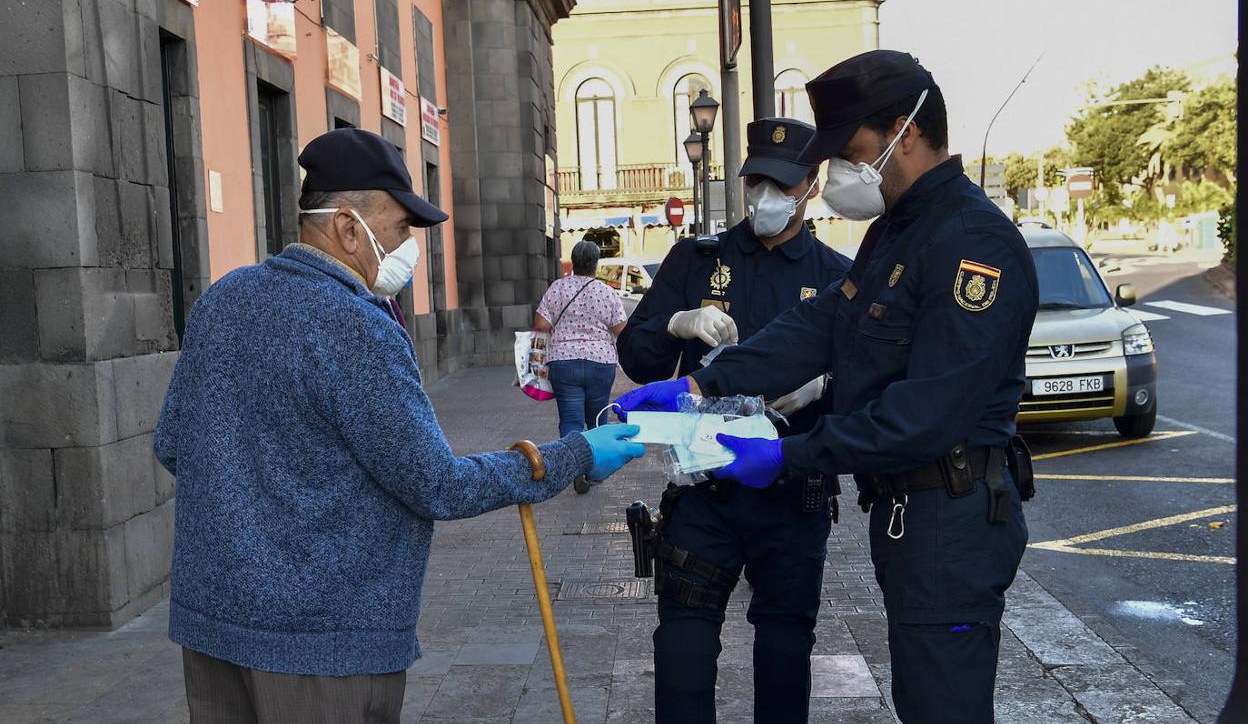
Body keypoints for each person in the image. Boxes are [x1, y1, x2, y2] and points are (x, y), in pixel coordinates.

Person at [154, 128, 645, 724]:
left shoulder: (223, 298)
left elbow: (174, 442)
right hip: (322, 648)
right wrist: (574, 455)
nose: (409, 247)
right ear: (346, 227)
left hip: (213, 629)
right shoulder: (355, 325)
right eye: (399, 228)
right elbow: (438, 484)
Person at [617, 51, 1039, 724]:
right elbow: (820, 325)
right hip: (911, 515)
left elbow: (922, 415)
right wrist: (701, 380)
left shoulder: (969, 242)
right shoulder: (897, 234)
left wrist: (789, 455)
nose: (842, 169)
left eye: (853, 150)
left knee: (942, 704)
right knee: (922, 698)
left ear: (905, 130)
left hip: (949, 515)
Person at [616, 117, 851, 723]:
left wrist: (824, 387)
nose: (765, 197)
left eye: (781, 184)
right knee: (682, 648)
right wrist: (675, 323)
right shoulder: (697, 261)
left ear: (811, 186)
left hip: (791, 492)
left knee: (785, 645)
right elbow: (639, 359)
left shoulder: (834, 275)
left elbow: (863, 389)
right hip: (705, 492)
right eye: (757, 182)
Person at [535, 239, 627, 494]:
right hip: (601, 362)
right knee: (597, 419)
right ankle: (594, 470)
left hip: (563, 361)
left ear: (573, 263)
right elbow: (621, 328)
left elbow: (541, 324)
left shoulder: (558, 288)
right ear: (596, 264)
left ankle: (573, 469)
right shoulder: (607, 292)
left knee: (571, 420)